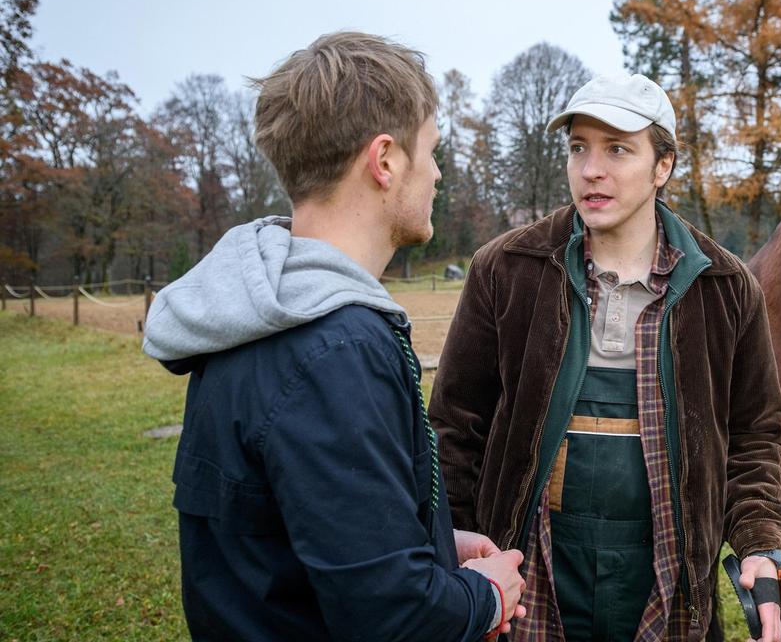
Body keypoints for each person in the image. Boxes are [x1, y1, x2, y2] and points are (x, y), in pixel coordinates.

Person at [142, 32, 525, 641]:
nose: (437, 172)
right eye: (430, 150)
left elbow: (290, 525)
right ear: (385, 161)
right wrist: (483, 596)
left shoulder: (259, 310)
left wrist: (427, 540)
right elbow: (393, 619)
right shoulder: (334, 347)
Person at [429, 74, 781, 641]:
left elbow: (753, 434)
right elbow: (455, 425)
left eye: (617, 149)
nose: (590, 169)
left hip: (668, 574)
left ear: (662, 166)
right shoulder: (506, 270)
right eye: (579, 148)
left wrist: (758, 543)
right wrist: (450, 542)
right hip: (530, 578)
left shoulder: (725, 288)